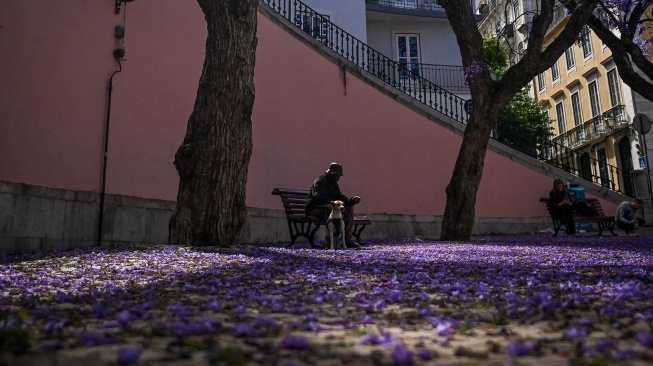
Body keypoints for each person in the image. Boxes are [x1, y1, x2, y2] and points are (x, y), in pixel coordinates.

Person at [305, 162, 362, 248]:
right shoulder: (320, 181)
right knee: (330, 207)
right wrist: (333, 203)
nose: (338, 178)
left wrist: (351, 200)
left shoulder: (334, 185)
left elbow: (340, 197)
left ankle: (346, 239)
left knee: (350, 209)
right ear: (330, 173)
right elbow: (319, 198)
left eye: (339, 176)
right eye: (336, 175)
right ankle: (329, 241)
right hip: (316, 209)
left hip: (329, 209)